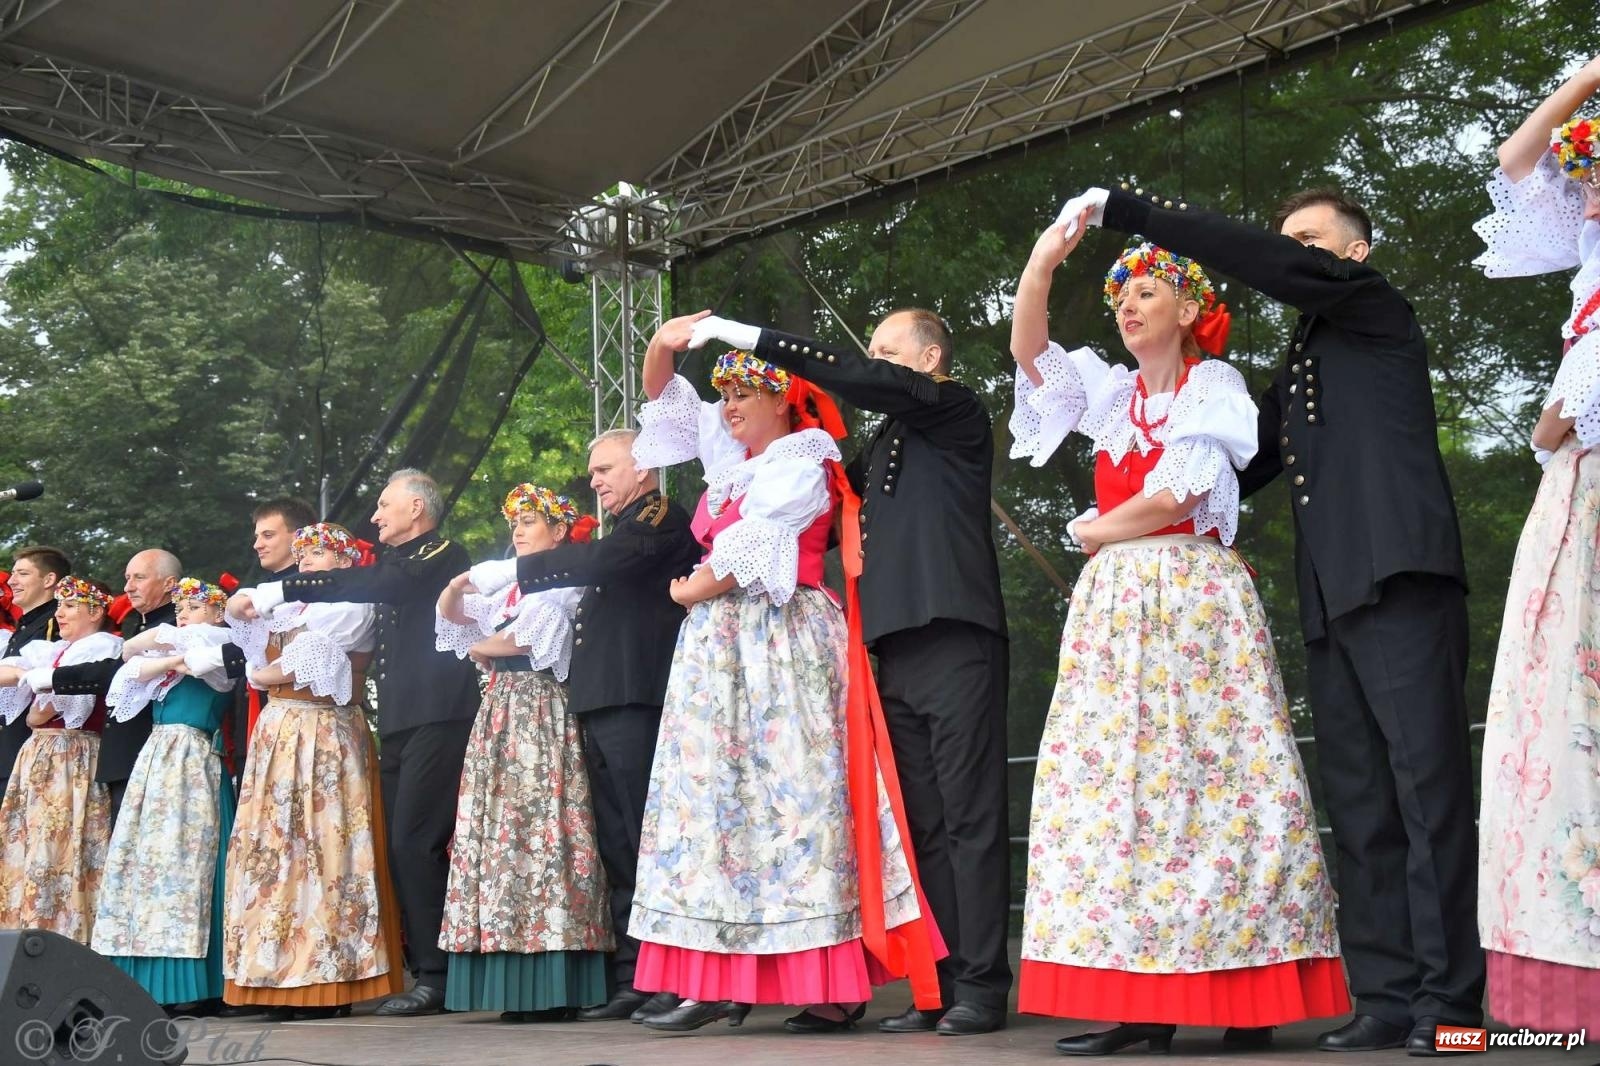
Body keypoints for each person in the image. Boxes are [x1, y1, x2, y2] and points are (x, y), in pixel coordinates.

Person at [1052, 175, 1482, 1052]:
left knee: (1426, 794)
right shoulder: (1297, 360)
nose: (1295, 253)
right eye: (1289, 239)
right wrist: (1146, 478)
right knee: (1358, 801)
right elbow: (1227, 476)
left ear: (1353, 253)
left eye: (1311, 241)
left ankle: (1453, 1006)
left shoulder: (1374, 309)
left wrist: (1133, 212)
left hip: (1399, 575)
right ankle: (1389, 996)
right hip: (1332, 596)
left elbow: (1265, 262)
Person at [1008, 219, 1349, 1054]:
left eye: (1146, 291)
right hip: (1119, 610)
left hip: (1192, 596)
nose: (1127, 305)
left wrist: (1095, 531)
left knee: (1219, 783)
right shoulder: (1112, 395)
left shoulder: (1217, 387)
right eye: (1119, 295)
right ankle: (1139, 1002)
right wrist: (1042, 260)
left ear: (1190, 307)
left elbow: (1177, 495)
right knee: (1122, 792)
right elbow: (1031, 354)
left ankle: (1246, 996)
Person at [686, 307, 1011, 1036]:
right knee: (922, 825)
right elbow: (810, 513)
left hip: (955, 634)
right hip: (890, 647)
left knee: (971, 820)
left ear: (928, 358)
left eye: (889, 351)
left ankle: (985, 988)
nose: (874, 361)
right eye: (873, 352)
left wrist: (751, 338)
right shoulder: (877, 446)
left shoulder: (954, 408)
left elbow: (862, 382)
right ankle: (941, 987)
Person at [614, 322, 940, 1035]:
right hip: (720, 654)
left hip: (780, 639)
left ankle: (827, 984)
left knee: (793, 805)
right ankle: (714, 977)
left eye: (743, 392)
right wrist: (666, 345)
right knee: (715, 811)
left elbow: (751, 548)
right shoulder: (733, 460)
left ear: (785, 400)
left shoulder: (802, 456)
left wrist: (689, 592)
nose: (728, 404)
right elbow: (662, 396)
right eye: (724, 392)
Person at [464, 433, 702, 1024]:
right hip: (602, 696)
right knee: (618, 842)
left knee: (647, 836)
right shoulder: (622, 523)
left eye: (604, 468)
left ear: (642, 466)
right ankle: (636, 973)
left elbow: (604, 563)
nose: (594, 480)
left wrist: (514, 570)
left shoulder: (658, 514)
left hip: (636, 691)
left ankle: (670, 975)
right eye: (591, 471)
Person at [232, 471, 478, 1016]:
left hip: (440, 710)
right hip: (400, 716)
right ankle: (429, 969)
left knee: (415, 840)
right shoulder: (391, 564)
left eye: (384, 505)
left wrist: (283, 587)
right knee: (396, 845)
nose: (374, 516)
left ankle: (440, 976)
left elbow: (384, 587)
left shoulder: (440, 551)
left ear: (417, 507)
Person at [1470, 54, 1600, 1037]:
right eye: (1588, 169)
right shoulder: (1587, 255)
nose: (1585, 187)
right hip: (1576, 490)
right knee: (1556, 714)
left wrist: (1557, 416)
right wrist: (1585, 80)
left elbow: (1568, 408)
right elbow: (1515, 162)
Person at [435, 485, 611, 1022]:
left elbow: (528, 641)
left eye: (530, 521)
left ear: (559, 532)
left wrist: (482, 646)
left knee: (542, 831)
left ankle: (556, 978)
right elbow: (454, 617)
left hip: (539, 710)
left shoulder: (563, 582)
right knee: (499, 838)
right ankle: (509, 978)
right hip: (502, 712)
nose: (518, 530)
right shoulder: (513, 587)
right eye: (515, 522)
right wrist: (460, 583)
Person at [220, 523, 405, 1019]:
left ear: (344, 561)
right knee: (275, 851)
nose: (305, 561)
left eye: (318, 552)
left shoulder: (350, 605)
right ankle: (275, 974)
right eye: (301, 553)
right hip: (280, 731)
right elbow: (248, 634)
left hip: (323, 733)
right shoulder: (298, 607)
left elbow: (291, 664)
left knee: (324, 847)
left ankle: (328, 976)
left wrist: (260, 671)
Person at [94, 578, 237, 1012]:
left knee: (189, 861)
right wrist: (172, 657)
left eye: (194, 607)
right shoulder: (176, 648)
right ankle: (149, 983)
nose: (183, 615)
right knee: (148, 864)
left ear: (216, 613)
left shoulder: (222, 640)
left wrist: (173, 653)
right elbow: (129, 662)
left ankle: (199, 984)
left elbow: (212, 659)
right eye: (180, 607)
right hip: (156, 759)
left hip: (192, 758)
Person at [0, 577, 120, 943]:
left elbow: (50, 713)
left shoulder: (101, 647)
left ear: (95, 612)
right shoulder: (53, 652)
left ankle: (59, 931)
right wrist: (27, 676)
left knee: (61, 843)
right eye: (60, 605)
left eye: (70, 606)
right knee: (29, 840)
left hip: (71, 754)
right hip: (41, 755)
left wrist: (39, 694)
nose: (60, 614)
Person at [41, 549, 182, 827]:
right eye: (127, 578)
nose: (128, 586)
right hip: (125, 757)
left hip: (148, 755)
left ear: (169, 584)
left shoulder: (176, 627)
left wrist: (53, 678)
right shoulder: (141, 626)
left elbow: (115, 671)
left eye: (139, 578)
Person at [1, 546, 68, 794]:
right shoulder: (25, 625)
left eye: (22, 574)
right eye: (13, 573)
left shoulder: (55, 622)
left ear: (49, 579)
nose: (11, 580)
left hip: (27, 744)